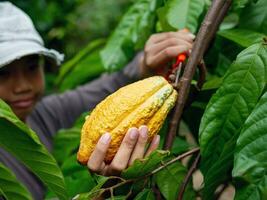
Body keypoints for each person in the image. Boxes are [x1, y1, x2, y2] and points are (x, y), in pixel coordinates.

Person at [0, 2, 195, 199]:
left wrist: (145, 65)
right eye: (3, 74)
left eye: (32, 67)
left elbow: (108, 91)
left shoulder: (45, 113)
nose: (22, 86)